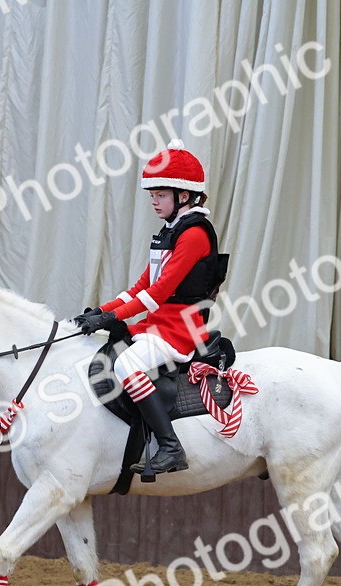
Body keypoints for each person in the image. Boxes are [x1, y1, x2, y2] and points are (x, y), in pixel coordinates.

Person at [74, 139, 227, 474]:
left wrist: (112, 316)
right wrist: (100, 312)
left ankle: (171, 447)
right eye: (152, 195)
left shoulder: (195, 234)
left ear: (183, 196)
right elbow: (140, 288)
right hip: (158, 325)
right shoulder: (169, 232)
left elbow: (158, 293)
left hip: (181, 329)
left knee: (127, 367)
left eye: (160, 195)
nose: (154, 202)